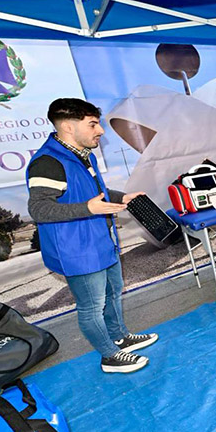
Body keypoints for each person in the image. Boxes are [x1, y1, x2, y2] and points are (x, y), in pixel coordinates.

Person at [26, 98, 159, 374]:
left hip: (100, 242)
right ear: (67, 126)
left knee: (113, 292)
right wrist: (88, 208)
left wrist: (124, 197)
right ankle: (109, 355)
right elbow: (39, 209)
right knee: (91, 306)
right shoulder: (47, 163)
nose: (100, 131)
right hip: (76, 250)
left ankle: (120, 337)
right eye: (93, 124)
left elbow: (95, 192)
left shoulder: (84, 155)